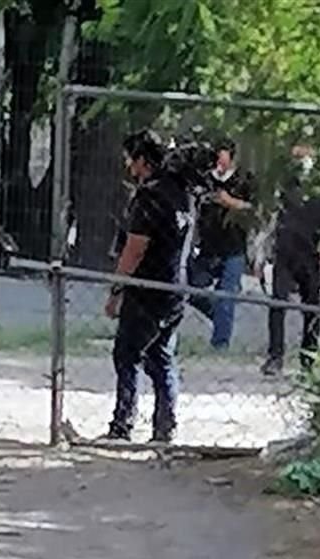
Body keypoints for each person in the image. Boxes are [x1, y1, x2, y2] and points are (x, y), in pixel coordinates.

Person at [101, 130, 193, 443]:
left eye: (131, 160)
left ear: (142, 160)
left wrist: (116, 290)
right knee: (162, 356)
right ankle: (164, 427)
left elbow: (135, 248)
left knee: (126, 354)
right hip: (175, 287)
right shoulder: (181, 192)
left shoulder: (150, 196)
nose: (129, 168)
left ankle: (122, 424)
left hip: (147, 288)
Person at [259, 141, 320, 375]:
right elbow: (271, 218)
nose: (297, 151)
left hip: (311, 252)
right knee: (277, 302)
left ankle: (308, 357)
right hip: (285, 249)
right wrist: (261, 252)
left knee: (311, 306)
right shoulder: (284, 180)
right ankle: (275, 356)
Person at [187, 138, 256, 349]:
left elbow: (255, 210)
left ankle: (220, 343)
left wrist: (231, 202)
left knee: (226, 294)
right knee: (192, 287)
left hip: (233, 248)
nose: (218, 161)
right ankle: (219, 317)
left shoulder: (244, 180)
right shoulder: (205, 180)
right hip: (208, 247)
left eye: (222, 156)